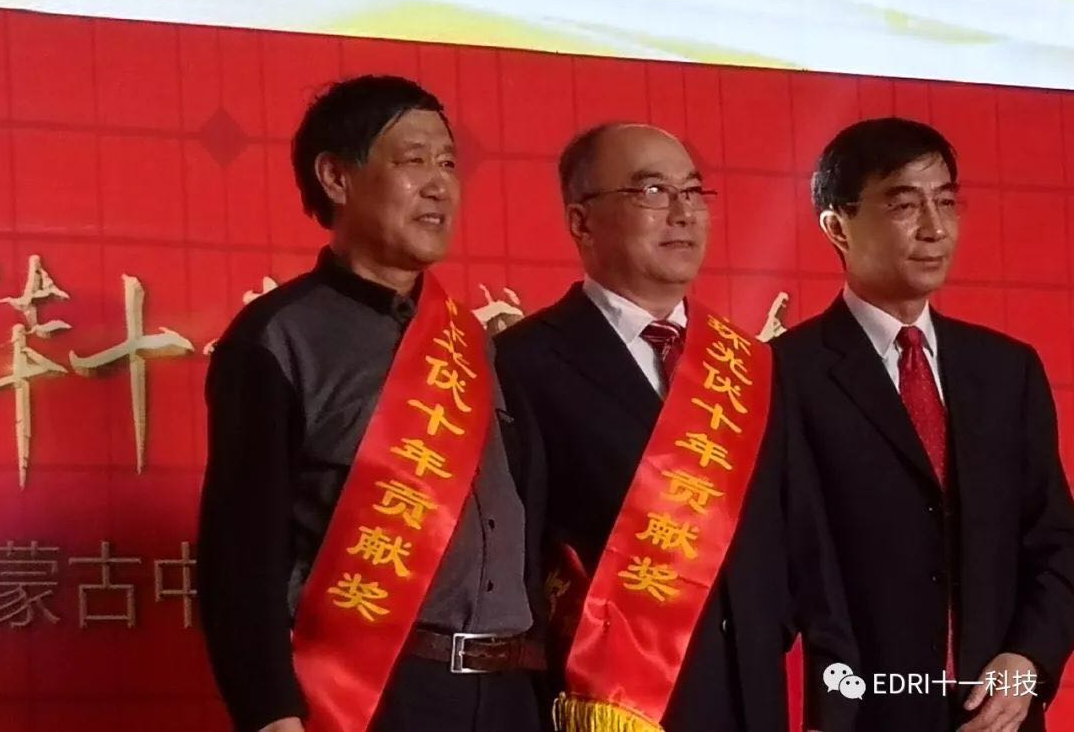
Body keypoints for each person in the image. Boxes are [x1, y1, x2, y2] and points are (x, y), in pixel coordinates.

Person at [197, 75, 547, 732]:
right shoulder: (279, 338)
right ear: (337, 177)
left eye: (449, 163)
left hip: (508, 695)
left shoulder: (472, 341)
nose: (440, 186)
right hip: (376, 693)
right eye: (414, 161)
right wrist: (271, 714)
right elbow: (240, 556)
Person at [495, 122, 857, 732]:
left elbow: (808, 550)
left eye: (692, 192)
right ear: (582, 221)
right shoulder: (522, 363)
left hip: (753, 702)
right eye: (652, 192)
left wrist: (834, 702)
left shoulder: (753, 367)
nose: (683, 213)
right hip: (616, 707)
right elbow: (519, 566)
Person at [773, 117, 1074, 732]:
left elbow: (1055, 542)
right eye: (904, 205)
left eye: (946, 202)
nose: (935, 228)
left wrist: (1026, 665)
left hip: (999, 716)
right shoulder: (785, 375)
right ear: (837, 226)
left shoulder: (1006, 369)